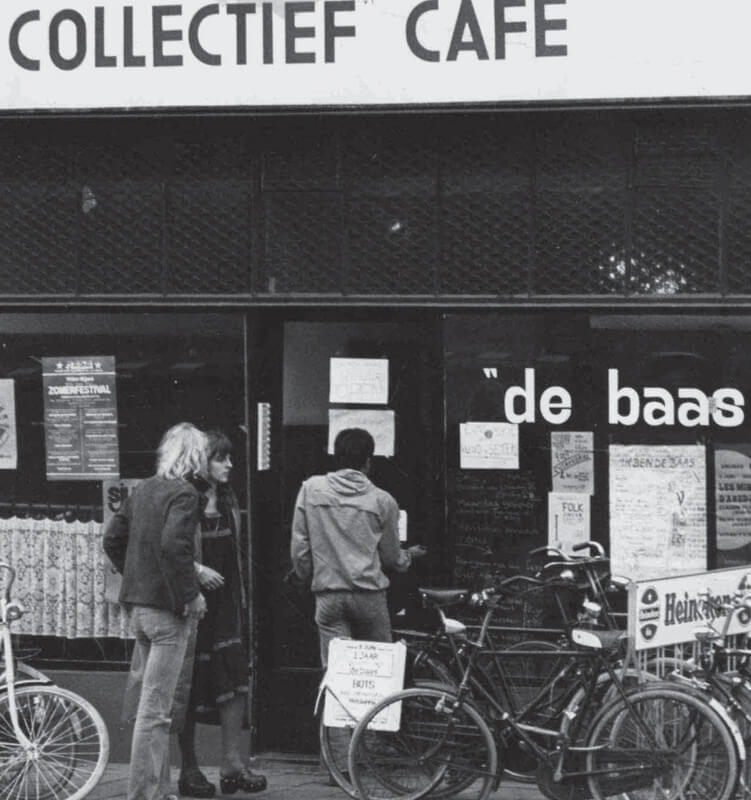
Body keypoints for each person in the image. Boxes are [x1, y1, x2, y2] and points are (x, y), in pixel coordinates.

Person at [104, 422, 208, 800]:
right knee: (157, 711)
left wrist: (134, 575)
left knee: (154, 707)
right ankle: (144, 795)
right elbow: (174, 547)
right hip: (167, 613)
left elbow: (112, 538)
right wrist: (190, 594)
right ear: (195, 458)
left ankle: (160, 790)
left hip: (139, 609)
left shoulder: (144, 489)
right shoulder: (185, 494)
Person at [177, 429, 267, 798]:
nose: (229, 464)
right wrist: (197, 571)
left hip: (227, 603)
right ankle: (189, 769)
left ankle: (231, 763)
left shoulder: (229, 500)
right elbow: (171, 548)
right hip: (192, 605)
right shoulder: (185, 498)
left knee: (234, 682)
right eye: (220, 458)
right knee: (190, 684)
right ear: (202, 461)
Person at [290, 427, 427, 669]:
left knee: (337, 673)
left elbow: (300, 549)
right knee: (378, 673)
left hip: (329, 595)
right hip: (369, 597)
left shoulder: (311, 489)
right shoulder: (383, 500)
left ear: (336, 457)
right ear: (368, 462)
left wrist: (307, 576)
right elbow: (391, 558)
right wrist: (409, 556)